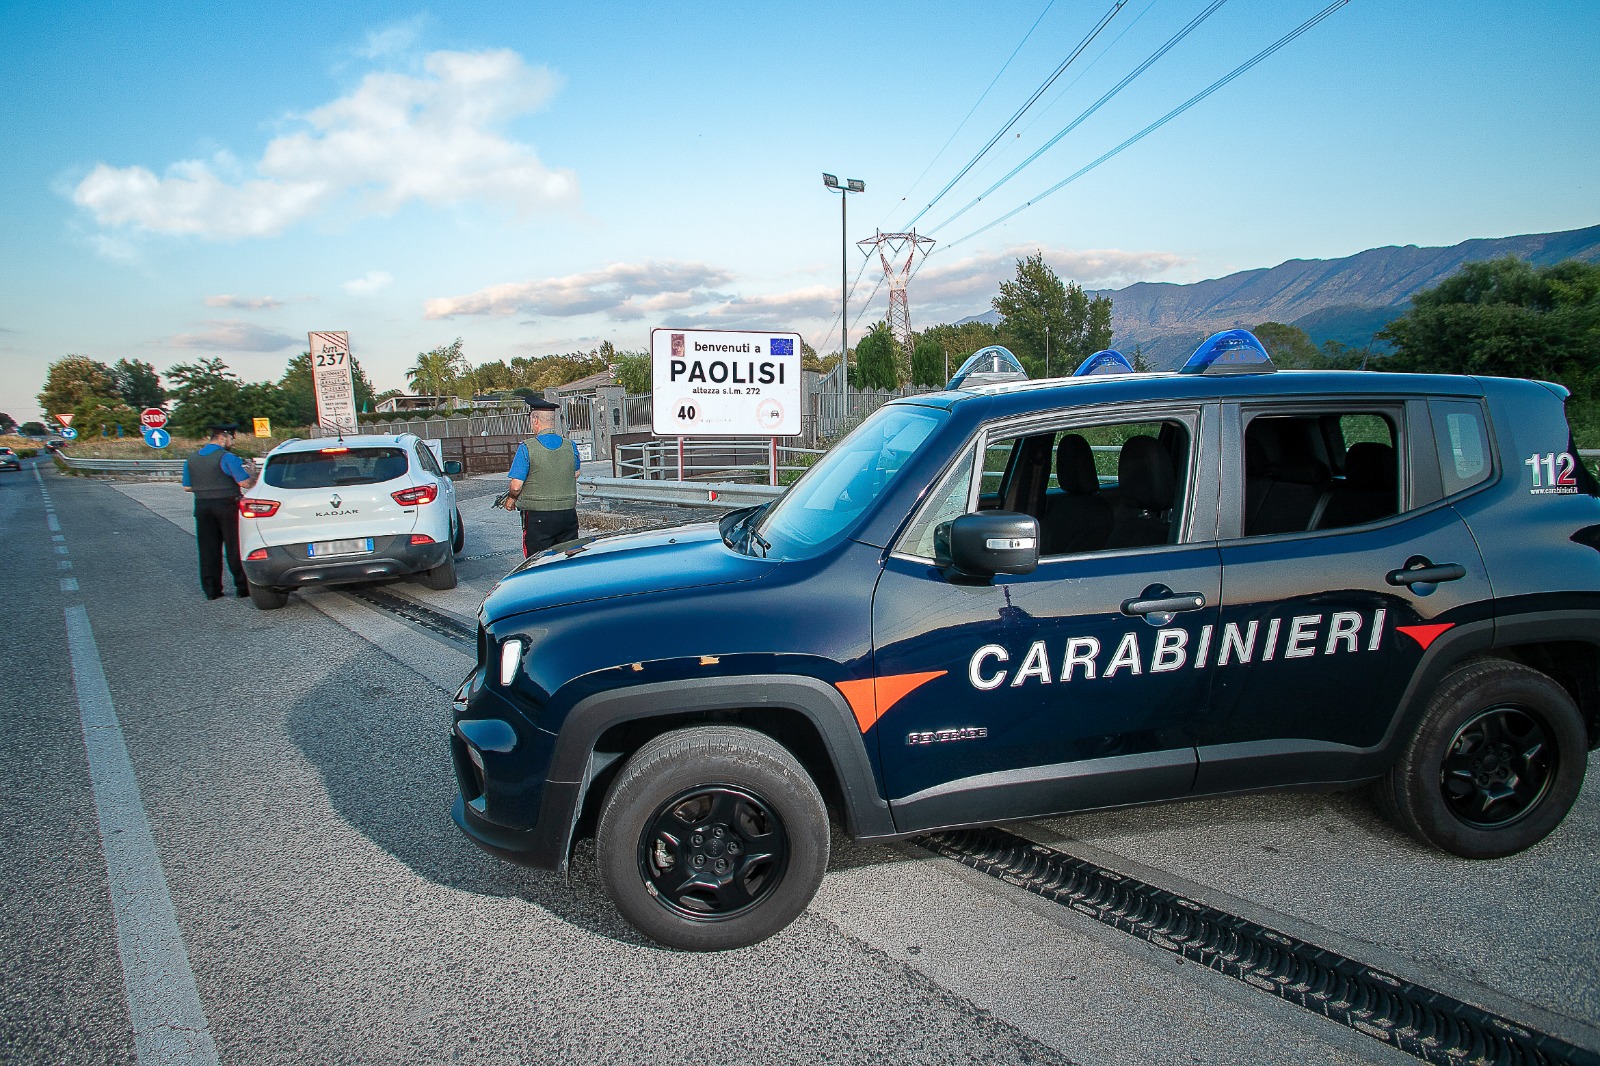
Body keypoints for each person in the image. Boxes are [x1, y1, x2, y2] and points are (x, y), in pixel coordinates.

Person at [182, 423, 256, 599]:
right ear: (223, 438)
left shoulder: (191, 459)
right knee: (234, 546)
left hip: (202, 507)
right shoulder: (227, 457)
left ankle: (212, 590)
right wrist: (253, 474)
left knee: (208, 549)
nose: (232, 442)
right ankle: (242, 587)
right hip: (227, 506)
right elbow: (244, 483)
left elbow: (187, 486)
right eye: (231, 438)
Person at [502, 397, 581, 556]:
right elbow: (575, 473)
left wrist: (510, 500)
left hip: (539, 517)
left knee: (538, 563)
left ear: (535, 420)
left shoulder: (527, 448)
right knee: (570, 559)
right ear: (553, 421)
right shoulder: (570, 445)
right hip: (568, 515)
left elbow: (516, 486)